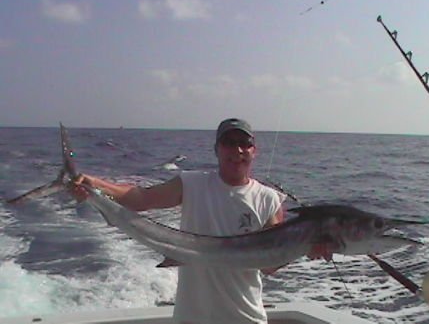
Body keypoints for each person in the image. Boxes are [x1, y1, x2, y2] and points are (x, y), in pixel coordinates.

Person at [71, 118, 286, 324]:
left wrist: (309, 246)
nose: (237, 151)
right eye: (229, 143)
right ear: (217, 150)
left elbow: (270, 265)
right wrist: (93, 184)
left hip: (246, 319)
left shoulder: (269, 198)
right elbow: (142, 198)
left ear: (253, 151)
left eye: (244, 144)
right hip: (193, 319)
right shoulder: (192, 184)